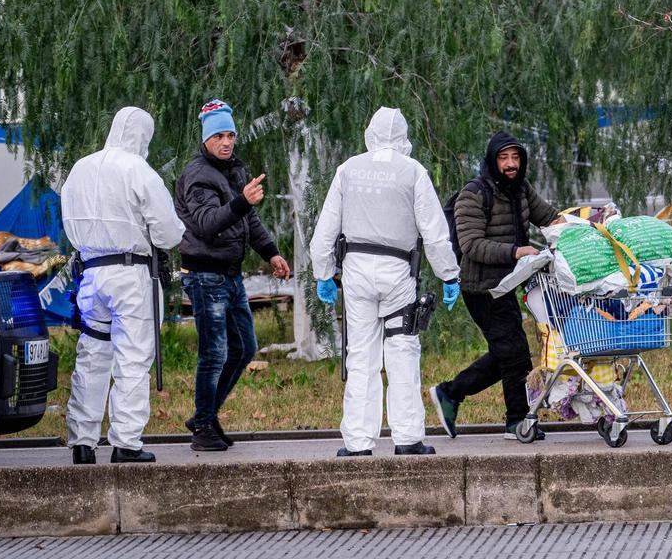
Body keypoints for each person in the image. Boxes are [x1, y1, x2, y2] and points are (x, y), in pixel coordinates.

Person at [309, 107, 461, 457]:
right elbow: (435, 234)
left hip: (356, 272)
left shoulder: (348, 170)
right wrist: (449, 275)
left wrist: (323, 274)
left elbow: (325, 232)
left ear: (370, 133)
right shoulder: (413, 172)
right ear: (404, 137)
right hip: (398, 274)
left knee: (360, 357)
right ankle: (407, 438)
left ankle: (357, 443)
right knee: (402, 352)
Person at [61, 106, 186, 464]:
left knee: (92, 354)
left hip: (90, 273)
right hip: (131, 275)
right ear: (143, 136)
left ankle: (82, 442)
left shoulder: (80, 169)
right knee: (132, 357)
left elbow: (69, 219)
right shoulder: (138, 171)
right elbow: (167, 232)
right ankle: (126, 442)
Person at [175, 99, 290, 452]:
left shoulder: (232, 171)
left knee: (244, 347)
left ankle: (205, 415)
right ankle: (203, 426)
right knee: (214, 353)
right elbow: (208, 224)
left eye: (231, 135)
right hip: (205, 277)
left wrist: (271, 252)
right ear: (206, 139)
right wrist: (241, 200)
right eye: (219, 136)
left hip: (230, 276)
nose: (226, 142)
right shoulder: (197, 176)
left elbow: (247, 220)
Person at [430, 131, 560, 441]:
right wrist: (516, 251)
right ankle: (516, 422)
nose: (511, 164)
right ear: (492, 160)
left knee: (509, 352)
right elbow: (472, 245)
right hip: (481, 287)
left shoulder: (521, 190)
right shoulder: (473, 195)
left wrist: (587, 227)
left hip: (507, 284)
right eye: (504, 158)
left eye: (516, 157)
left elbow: (549, 218)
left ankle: (451, 393)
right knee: (514, 354)